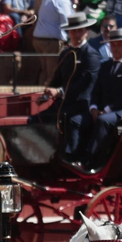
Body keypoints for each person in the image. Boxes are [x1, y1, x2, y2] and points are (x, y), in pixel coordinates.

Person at [33, 12, 99, 164]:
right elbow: (57, 78)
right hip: (63, 104)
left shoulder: (91, 55)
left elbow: (85, 84)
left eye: (79, 31)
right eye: (73, 31)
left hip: (82, 105)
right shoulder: (66, 53)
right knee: (35, 120)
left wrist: (59, 92)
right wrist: (46, 95)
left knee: (72, 121)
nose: (76, 34)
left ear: (86, 31)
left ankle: (72, 160)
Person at [84, 26, 122, 164]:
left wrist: (106, 110)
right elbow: (96, 89)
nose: (115, 48)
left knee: (103, 120)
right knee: (81, 118)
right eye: (113, 45)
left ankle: (91, 161)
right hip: (106, 110)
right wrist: (93, 108)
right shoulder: (105, 66)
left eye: (119, 45)